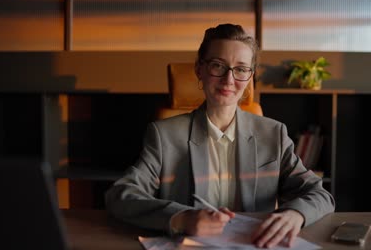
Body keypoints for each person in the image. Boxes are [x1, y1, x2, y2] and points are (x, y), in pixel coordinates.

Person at [105, 23, 335, 248]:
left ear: (250, 77)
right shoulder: (165, 136)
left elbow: (319, 194)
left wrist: (295, 215)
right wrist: (181, 218)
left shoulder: (273, 134)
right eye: (218, 65)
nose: (229, 80)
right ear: (200, 69)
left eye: (241, 69)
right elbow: (121, 195)